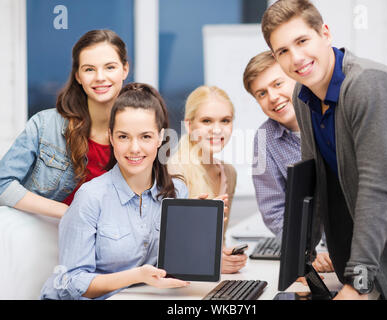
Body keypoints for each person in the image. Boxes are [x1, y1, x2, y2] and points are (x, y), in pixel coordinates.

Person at [261, 0, 387, 300]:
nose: (296, 58)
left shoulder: (368, 85)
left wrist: (358, 283)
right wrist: (302, 260)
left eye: (302, 41)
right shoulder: (303, 95)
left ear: (325, 34)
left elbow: (378, 188)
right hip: (372, 267)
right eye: (283, 51)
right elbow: (313, 186)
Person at [40, 83, 190, 300]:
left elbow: (177, 263)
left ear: (160, 138)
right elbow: (70, 282)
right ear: (110, 137)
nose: (134, 148)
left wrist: (202, 235)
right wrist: (137, 276)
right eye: (123, 137)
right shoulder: (91, 197)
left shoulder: (177, 192)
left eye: (145, 136)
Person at [0, 29, 129, 218]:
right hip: (45, 239)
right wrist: (71, 213)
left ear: (125, 69)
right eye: (89, 69)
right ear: (78, 76)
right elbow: (3, 185)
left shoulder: (137, 135)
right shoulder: (44, 125)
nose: (100, 77)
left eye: (110, 67)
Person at [243, 50, 333, 275]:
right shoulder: (264, 139)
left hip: (358, 249)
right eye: (261, 93)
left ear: (296, 79)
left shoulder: (332, 117)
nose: (272, 97)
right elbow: (274, 210)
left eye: (277, 84)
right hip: (316, 259)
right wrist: (306, 251)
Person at [167, 85, 247, 274]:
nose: (217, 130)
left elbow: (218, 240)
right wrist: (210, 261)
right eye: (207, 121)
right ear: (189, 125)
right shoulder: (174, 171)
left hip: (211, 279)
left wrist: (225, 255)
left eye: (225, 121)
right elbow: (167, 247)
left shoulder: (229, 173)